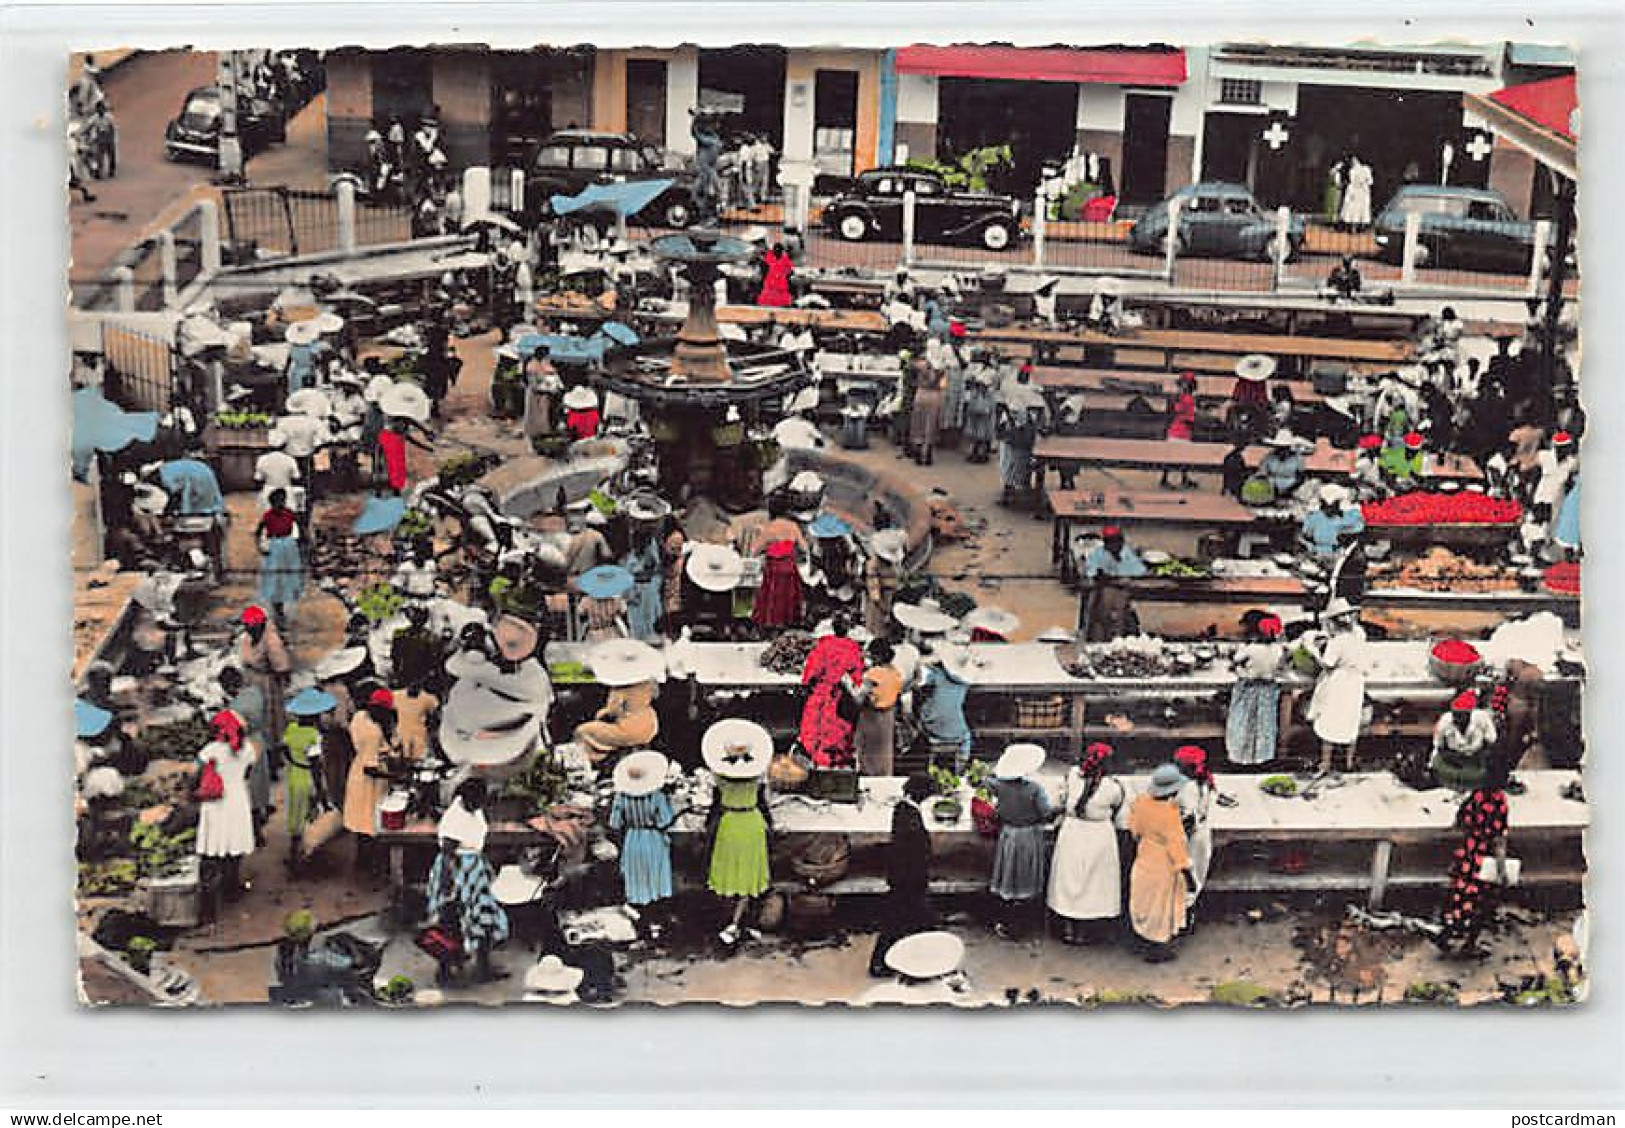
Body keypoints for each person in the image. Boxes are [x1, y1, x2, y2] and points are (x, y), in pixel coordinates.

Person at [426, 779, 510, 985]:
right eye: (478, 801)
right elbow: (447, 855)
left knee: (484, 919)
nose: (481, 804)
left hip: (474, 869)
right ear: (466, 799)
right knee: (451, 922)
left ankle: (483, 967)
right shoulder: (455, 818)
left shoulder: (473, 809)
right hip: (457, 871)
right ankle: (445, 971)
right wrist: (449, 888)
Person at [703, 719, 773, 948]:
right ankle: (739, 920)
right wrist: (770, 824)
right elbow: (763, 804)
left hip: (730, 823)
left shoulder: (720, 778)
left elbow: (715, 807)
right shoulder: (757, 777)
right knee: (747, 873)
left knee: (728, 871)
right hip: (752, 823)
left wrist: (707, 826)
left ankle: (730, 921)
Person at [1047, 742, 1126, 945]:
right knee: (1095, 884)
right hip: (1099, 835)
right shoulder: (1113, 787)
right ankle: (1087, 929)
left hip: (1073, 832)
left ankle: (1068, 928)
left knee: (1069, 880)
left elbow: (1060, 800)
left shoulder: (1072, 777)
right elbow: (1120, 812)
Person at [1433, 760, 1511, 959]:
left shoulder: (1476, 796)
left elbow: (1459, 821)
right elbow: (1499, 840)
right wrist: (1502, 870)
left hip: (1467, 854)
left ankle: (1446, 935)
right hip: (1484, 860)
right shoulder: (1499, 802)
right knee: (1482, 905)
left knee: (1458, 898)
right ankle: (1469, 945)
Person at [869, 773, 936, 976]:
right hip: (910, 879)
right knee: (897, 923)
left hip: (901, 876)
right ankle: (881, 964)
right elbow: (917, 851)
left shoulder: (901, 809)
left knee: (910, 921)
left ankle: (899, 961)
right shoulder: (912, 819)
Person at [1127, 764, 1196, 962]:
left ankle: (1141, 938)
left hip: (1144, 855)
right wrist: (1188, 876)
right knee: (1161, 906)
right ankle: (1157, 950)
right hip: (1163, 864)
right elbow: (1178, 849)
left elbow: (1135, 830)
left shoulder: (1140, 802)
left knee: (1143, 901)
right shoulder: (1170, 814)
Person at [988, 742, 1056, 940]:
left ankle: (1007, 922)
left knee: (1009, 877)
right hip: (1028, 835)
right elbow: (1046, 813)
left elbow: (986, 781)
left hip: (1009, 834)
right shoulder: (1035, 789)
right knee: (1026, 879)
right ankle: (1023, 923)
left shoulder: (999, 786)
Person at [195, 710, 259, 911]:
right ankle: (231, 888)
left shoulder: (209, 750)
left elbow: (196, 774)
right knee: (234, 843)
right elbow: (247, 772)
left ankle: (208, 900)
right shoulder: (247, 749)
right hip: (237, 799)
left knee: (213, 846)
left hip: (215, 802)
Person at [608, 750, 675, 921]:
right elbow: (664, 821)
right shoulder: (658, 796)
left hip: (633, 839)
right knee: (655, 876)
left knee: (635, 878)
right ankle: (656, 918)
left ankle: (640, 918)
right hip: (653, 839)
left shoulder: (621, 797)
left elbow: (615, 823)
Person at [1304, 598, 1368, 776]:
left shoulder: (1337, 642)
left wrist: (1313, 651)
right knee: (1350, 719)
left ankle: (1325, 763)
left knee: (1330, 721)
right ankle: (1349, 761)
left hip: (1339, 682)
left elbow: (1328, 664)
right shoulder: (1358, 635)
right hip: (1355, 681)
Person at [797, 614, 865, 767]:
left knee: (816, 728)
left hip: (822, 693)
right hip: (842, 697)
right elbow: (857, 677)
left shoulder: (823, 645)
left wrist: (807, 684)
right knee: (839, 732)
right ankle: (836, 760)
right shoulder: (854, 647)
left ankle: (819, 760)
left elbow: (812, 671)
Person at [342, 688, 397, 875]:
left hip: (358, 772)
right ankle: (373, 864)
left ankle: (362, 861)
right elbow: (371, 768)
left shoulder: (360, 717)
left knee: (361, 822)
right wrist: (394, 777)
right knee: (371, 821)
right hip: (369, 780)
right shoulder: (372, 731)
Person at [281, 686, 336, 869]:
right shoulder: (314, 736)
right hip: (308, 778)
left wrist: (295, 762)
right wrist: (321, 791)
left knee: (295, 813)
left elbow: (285, 752)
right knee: (312, 816)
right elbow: (315, 765)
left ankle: (292, 851)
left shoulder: (291, 729)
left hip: (294, 774)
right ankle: (307, 856)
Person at [1226, 612, 1286, 765]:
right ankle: (1262, 757)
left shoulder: (1250, 649)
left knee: (1243, 723)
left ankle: (1240, 758)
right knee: (1264, 725)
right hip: (1267, 691)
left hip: (1248, 689)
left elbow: (1235, 660)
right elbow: (1280, 666)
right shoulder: (1278, 649)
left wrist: (1236, 668)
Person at [238, 605, 292, 751]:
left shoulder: (271, 640)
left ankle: (273, 747)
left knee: (271, 718)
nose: (249, 629)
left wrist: (282, 681)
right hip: (252, 680)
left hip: (268, 684)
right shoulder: (246, 638)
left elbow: (281, 666)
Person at [1080, 526, 1147, 642]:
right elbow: (1091, 571)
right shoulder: (1098, 553)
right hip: (1102, 589)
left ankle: (1119, 633)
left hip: (1122, 589)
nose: (1114, 545)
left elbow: (1139, 571)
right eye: (1110, 541)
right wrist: (1099, 575)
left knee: (1119, 605)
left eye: (1116, 541)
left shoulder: (1127, 553)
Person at [916, 640, 974, 772]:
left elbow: (920, 683)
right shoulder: (966, 680)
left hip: (932, 725)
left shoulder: (935, 675)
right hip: (956, 731)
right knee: (967, 736)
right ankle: (961, 769)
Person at [1173, 745, 1216, 920]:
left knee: (1187, 878)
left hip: (1191, 836)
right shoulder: (1203, 782)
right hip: (1202, 833)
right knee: (1196, 874)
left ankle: (1185, 915)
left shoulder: (1188, 788)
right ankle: (1188, 911)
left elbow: (1188, 820)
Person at [851, 638, 903, 777]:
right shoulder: (896, 672)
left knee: (868, 758)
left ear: (876, 656)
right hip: (888, 718)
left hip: (871, 719)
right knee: (884, 756)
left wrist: (846, 682)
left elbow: (857, 698)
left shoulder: (873, 674)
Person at [255, 489, 305, 630]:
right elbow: (258, 532)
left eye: (281, 500)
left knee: (288, 577)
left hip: (289, 547)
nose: (280, 504)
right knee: (276, 578)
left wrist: (302, 542)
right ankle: (277, 606)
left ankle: (282, 605)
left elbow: (301, 528)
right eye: (277, 502)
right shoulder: (267, 516)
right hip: (275, 547)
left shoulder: (289, 513)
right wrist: (261, 547)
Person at [1431, 690, 1498, 792]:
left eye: (1461, 715)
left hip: (1476, 758)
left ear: (1469, 713)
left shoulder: (1482, 717)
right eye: (1455, 714)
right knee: (1437, 763)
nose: (1457, 718)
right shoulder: (1445, 720)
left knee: (1489, 768)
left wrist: (1480, 757)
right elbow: (1439, 745)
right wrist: (1452, 757)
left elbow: (1491, 741)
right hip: (1453, 758)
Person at [1299, 483, 1365, 565]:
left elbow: (1359, 528)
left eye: (1336, 503)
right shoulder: (1314, 517)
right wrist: (1310, 548)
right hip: (1316, 557)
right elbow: (1304, 536)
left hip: (1339, 557)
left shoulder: (1348, 517)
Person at [1159, 372, 1200, 489]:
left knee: (1173, 456)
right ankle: (1176, 479)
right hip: (1182, 430)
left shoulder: (1177, 397)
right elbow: (1189, 417)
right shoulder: (1188, 398)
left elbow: (1172, 412)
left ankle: (1170, 478)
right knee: (1181, 456)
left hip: (1175, 429)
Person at [907, 355, 945, 466]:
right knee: (931, 425)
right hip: (934, 397)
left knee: (918, 424)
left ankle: (918, 454)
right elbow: (943, 386)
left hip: (921, 395)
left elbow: (911, 380)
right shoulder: (941, 370)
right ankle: (928, 455)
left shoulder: (918, 366)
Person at [1259, 430, 1308, 498]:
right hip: (1271, 488)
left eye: (1285, 447)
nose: (1282, 450)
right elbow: (1262, 474)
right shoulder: (1269, 457)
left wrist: (1290, 489)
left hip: (1292, 489)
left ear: (1289, 447)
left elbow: (1301, 477)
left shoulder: (1298, 458)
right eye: (1280, 447)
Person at [962, 371, 997, 463]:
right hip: (976, 413)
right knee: (975, 435)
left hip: (984, 414)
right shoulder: (974, 393)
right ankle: (975, 453)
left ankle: (981, 453)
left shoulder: (988, 394)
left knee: (982, 435)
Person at [1339, 156, 1373, 230]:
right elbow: (1353, 181)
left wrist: (1363, 183)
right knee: (1354, 208)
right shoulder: (1353, 170)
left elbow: (1370, 181)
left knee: (1359, 208)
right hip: (1357, 190)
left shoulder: (1366, 169)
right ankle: (1354, 226)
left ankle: (1359, 226)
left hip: (1361, 191)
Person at [757, 243, 794, 307]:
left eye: (779, 251)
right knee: (767, 299)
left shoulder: (785, 259)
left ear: (781, 251)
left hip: (780, 285)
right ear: (773, 250)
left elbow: (790, 271)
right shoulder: (769, 256)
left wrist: (784, 276)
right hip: (770, 283)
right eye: (776, 250)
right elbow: (762, 263)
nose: (777, 252)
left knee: (781, 300)